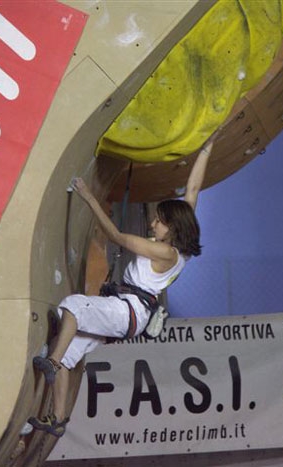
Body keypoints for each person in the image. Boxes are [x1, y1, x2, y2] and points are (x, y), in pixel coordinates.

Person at [28, 131, 218, 437]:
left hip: (126, 312)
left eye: (159, 221)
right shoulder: (180, 246)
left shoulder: (165, 252)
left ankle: (50, 362)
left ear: (171, 228)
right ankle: (58, 418)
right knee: (69, 352)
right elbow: (192, 191)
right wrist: (207, 147)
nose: (153, 224)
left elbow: (117, 237)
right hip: (129, 315)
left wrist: (88, 195)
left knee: (72, 307)